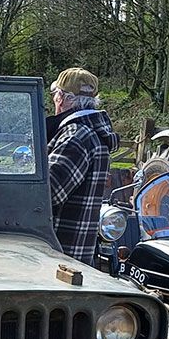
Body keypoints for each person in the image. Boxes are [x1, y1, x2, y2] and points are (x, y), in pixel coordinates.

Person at [46, 67, 119, 265]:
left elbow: (46, 194)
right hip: (77, 253)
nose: (54, 100)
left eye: (55, 94)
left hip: (58, 256)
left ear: (61, 98)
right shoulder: (92, 134)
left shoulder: (75, 137)